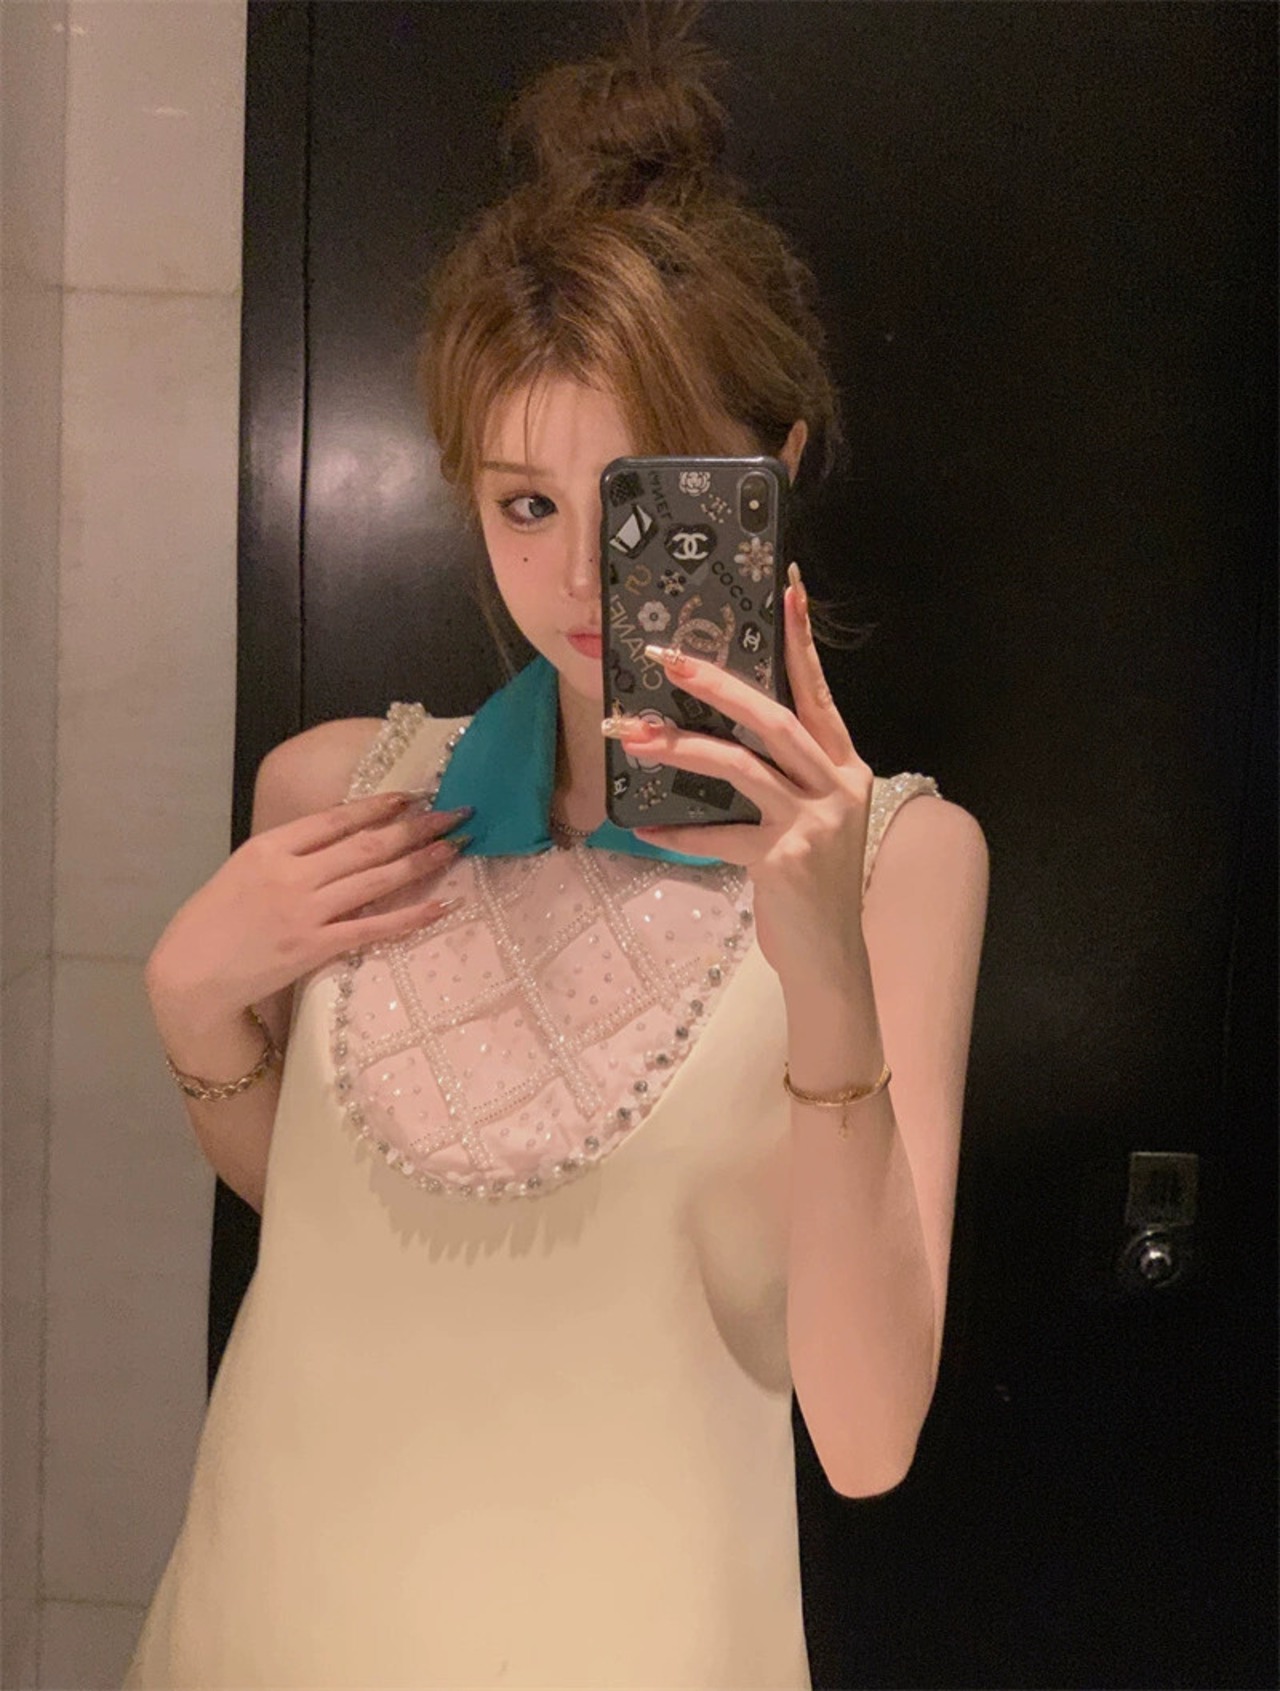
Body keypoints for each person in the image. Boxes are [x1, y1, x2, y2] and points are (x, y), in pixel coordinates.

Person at [124, 5, 988, 1687]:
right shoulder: (342, 793)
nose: (582, 576)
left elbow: (867, 1433)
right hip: (264, 1620)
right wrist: (192, 1006)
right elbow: (336, 1226)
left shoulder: (902, 865)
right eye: (526, 504)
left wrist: (823, 974)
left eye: (644, 501)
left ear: (770, 473)